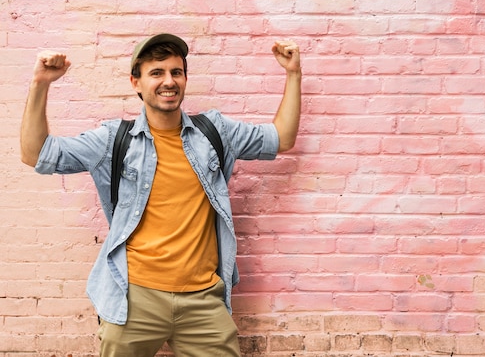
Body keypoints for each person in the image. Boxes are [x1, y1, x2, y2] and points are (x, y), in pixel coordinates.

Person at [20, 33, 302, 357]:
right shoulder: (113, 140)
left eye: (175, 72)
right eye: (156, 73)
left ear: (184, 78)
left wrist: (293, 73)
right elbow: (36, 154)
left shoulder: (215, 132)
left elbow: (281, 138)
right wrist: (40, 84)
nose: (168, 81)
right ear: (136, 83)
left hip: (203, 301)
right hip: (135, 300)